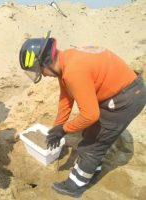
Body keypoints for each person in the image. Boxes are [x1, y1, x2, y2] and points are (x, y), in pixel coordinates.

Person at [19, 31, 146, 198]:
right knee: (90, 133)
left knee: (91, 146)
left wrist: (64, 130)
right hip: (118, 93)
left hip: (126, 99)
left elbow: (90, 115)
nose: (43, 75)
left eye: (40, 70)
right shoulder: (65, 59)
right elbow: (65, 99)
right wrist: (57, 126)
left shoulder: (73, 71)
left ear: (46, 62)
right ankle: (93, 168)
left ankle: (76, 185)